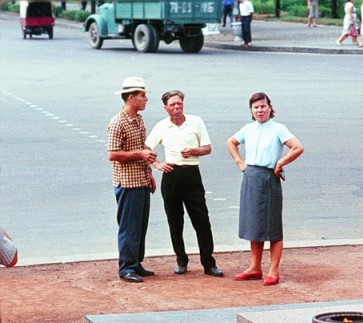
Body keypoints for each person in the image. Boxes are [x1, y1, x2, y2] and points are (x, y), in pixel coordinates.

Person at [227, 93, 304, 286]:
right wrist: (239, 162)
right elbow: (231, 142)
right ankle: (254, 267)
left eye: (263, 106)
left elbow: (297, 147)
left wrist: (280, 162)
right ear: (251, 111)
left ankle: (273, 270)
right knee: (253, 224)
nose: (259, 110)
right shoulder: (248, 128)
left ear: (270, 107)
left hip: (268, 178)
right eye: (256, 107)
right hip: (250, 176)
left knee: (272, 226)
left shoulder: (279, 128)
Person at [146, 91, 223, 277]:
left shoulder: (196, 122)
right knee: (175, 220)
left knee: (202, 220)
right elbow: (146, 149)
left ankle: (208, 262)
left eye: (179, 103)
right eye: (172, 104)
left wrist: (194, 150)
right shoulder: (162, 126)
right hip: (171, 174)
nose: (177, 107)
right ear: (165, 108)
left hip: (191, 174)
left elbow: (207, 148)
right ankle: (181, 259)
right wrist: (157, 164)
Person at [107, 77, 157, 283]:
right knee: (129, 225)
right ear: (131, 98)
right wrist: (140, 155)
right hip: (127, 182)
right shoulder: (118, 122)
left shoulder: (138, 119)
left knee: (140, 224)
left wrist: (149, 173)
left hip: (141, 180)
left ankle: (135, 262)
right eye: (142, 95)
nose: (145, 99)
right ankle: (127, 267)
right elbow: (113, 154)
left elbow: (142, 149)